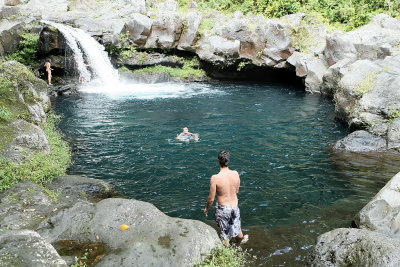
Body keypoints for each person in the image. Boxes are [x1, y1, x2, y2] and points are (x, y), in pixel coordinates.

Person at [204, 150, 248, 245]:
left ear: (218, 161)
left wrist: (206, 209)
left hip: (223, 209)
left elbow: (211, 199)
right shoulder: (235, 174)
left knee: (225, 235)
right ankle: (238, 245)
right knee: (237, 229)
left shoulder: (215, 178)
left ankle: (227, 254)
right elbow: (236, 191)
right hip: (234, 207)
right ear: (228, 161)